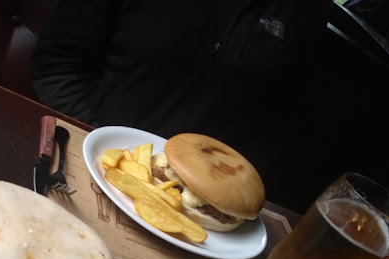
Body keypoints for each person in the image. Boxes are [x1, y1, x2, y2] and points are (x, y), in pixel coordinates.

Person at [30, 0, 345, 212]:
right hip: (81, 158)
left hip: (198, 210)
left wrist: (221, 199)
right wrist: (96, 143)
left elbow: (277, 130)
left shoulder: (309, 10)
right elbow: (57, 65)